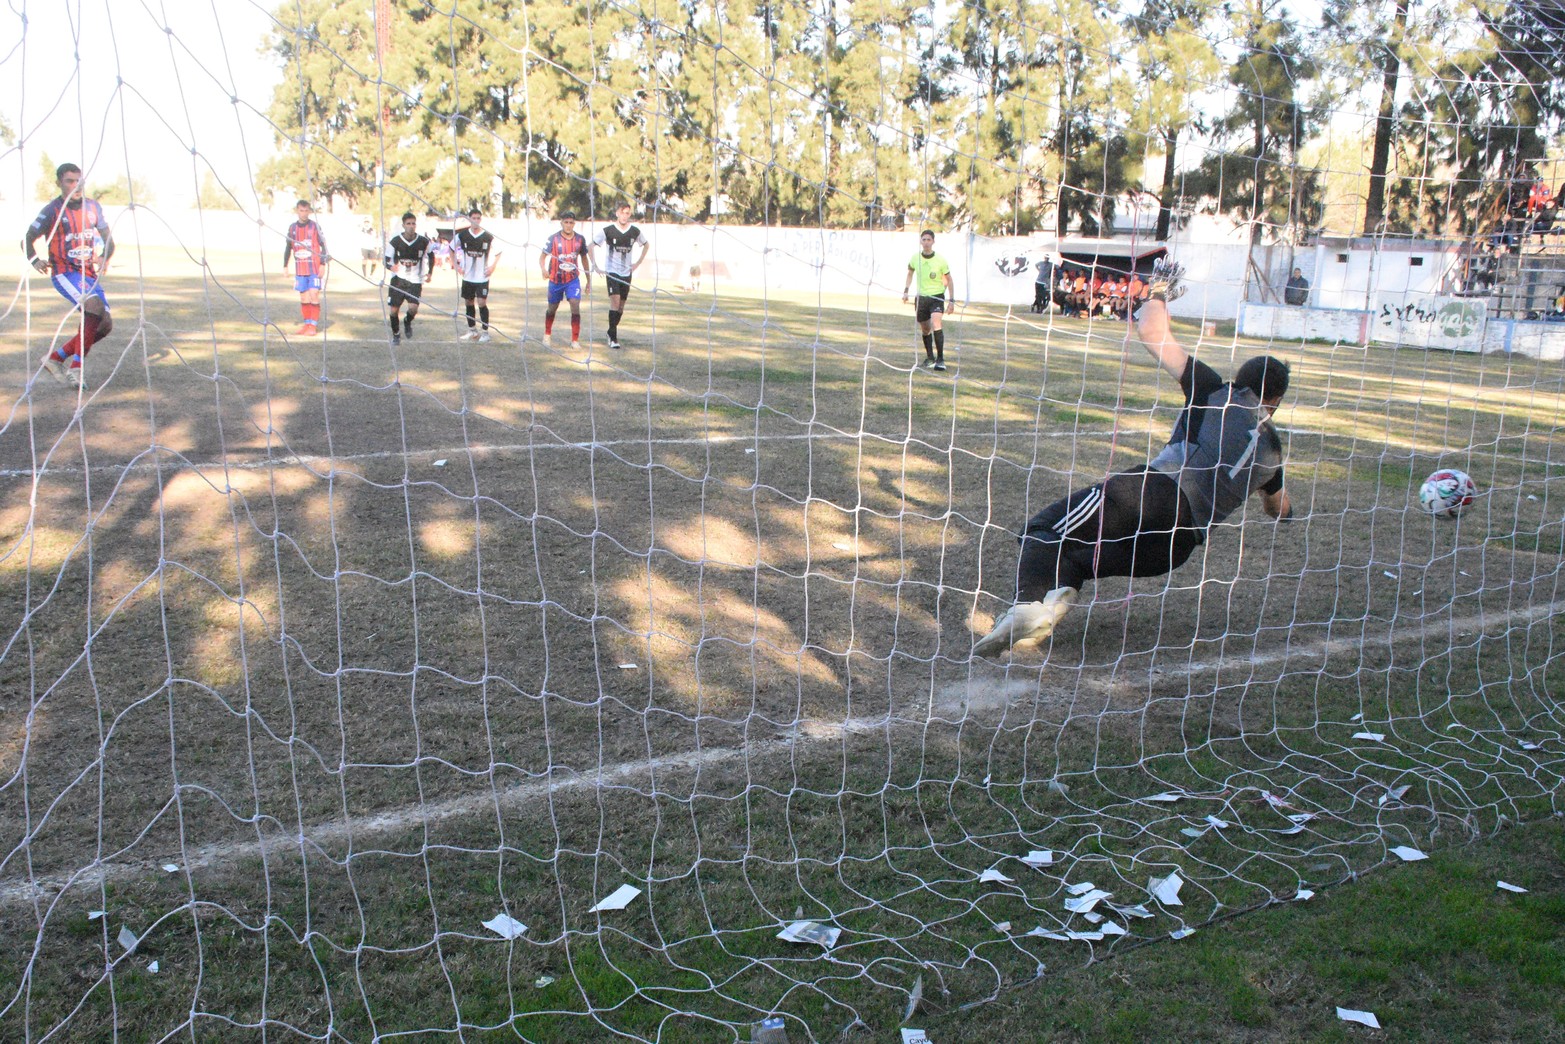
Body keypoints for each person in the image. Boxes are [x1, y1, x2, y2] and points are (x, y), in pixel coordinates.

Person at [972, 297, 1292, 658]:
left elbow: (1151, 330)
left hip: (1150, 494)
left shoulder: (1214, 389)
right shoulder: (1272, 453)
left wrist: (1156, 294)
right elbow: (1278, 508)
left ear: (1240, 380)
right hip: (1176, 548)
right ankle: (1045, 611)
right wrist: (1281, 503)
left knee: (1044, 530)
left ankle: (1028, 607)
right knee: (1078, 557)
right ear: (1276, 400)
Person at [24, 162, 114, 388]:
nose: (76, 186)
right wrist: (35, 260)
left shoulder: (93, 207)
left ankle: (54, 359)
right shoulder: (52, 210)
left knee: (105, 325)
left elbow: (108, 238)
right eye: (70, 181)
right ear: (59, 183)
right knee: (94, 306)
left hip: (88, 274)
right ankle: (76, 368)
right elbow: (28, 237)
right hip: (65, 272)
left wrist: (104, 256)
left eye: (79, 181)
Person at [593, 201, 649, 349]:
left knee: (621, 307)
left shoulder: (634, 231)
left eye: (627, 213)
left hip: (626, 273)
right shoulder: (608, 230)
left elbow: (646, 244)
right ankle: (613, 339)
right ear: (617, 213)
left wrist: (638, 263)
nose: (625, 216)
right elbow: (590, 246)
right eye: (622, 212)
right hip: (612, 272)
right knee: (615, 302)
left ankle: (610, 332)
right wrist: (595, 266)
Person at [901, 229, 956, 372]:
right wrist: (906, 291)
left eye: (928, 240)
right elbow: (910, 273)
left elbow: (949, 280)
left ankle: (940, 359)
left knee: (936, 323)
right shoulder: (915, 258)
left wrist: (951, 300)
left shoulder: (941, 260)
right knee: (925, 329)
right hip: (921, 298)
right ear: (921, 241)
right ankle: (930, 357)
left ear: (933, 242)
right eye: (924, 239)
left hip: (936, 297)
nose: (926, 242)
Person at [540, 212, 591, 349]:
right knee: (552, 308)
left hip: (572, 280)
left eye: (571, 222)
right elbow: (542, 257)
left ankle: (575, 340)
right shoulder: (553, 239)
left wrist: (588, 280)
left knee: (575, 305)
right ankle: (547, 334)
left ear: (574, 224)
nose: (568, 225)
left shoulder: (580, 240)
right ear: (561, 223)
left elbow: (584, 259)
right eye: (566, 222)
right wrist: (544, 270)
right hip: (555, 280)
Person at [384, 211, 434, 345]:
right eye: (408, 224)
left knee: (413, 308)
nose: (411, 226)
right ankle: (396, 335)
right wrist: (390, 267)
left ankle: (407, 321)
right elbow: (386, 259)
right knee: (394, 310)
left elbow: (431, 255)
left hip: (415, 281)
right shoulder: (395, 241)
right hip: (398, 280)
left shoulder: (423, 241)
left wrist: (430, 273)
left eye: (413, 223)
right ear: (403, 225)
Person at [283, 199, 329, 336]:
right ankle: (307, 324)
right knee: (304, 298)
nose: (303, 213)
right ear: (297, 211)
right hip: (300, 269)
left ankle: (313, 326)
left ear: (309, 211)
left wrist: (322, 263)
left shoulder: (315, 227)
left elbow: (324, 245)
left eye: (306, 211)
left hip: (314, 268)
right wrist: (285, 265)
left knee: (314, 294)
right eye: (301, 211)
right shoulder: (292, 228)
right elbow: (288, 247)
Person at [455, 208, 500, 342]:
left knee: (481, 302)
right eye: (473, 218)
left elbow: (499, 252)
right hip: (468, 277)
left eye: (478, 218)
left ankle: (485, 332)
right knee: (468, 302)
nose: (476, 221)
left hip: (482, 277)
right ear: (469, 219)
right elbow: (452, 249)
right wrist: (456, 265)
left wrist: (493, 267)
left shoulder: (487, 236)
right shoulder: (462, 236)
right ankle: (472, 331)